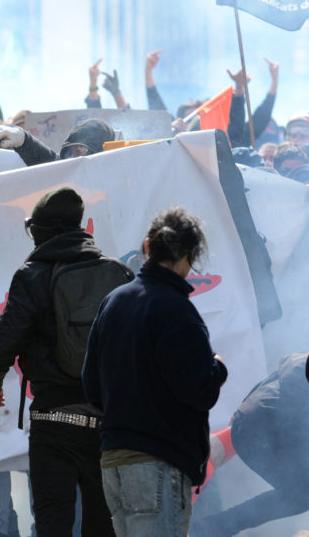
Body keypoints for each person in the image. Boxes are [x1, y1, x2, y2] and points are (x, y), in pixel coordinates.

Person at [0, 187, 127, 536]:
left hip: (52, 422)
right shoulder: (118, 274)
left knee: (52, 523)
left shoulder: (32, 275)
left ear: (42, 231)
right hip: (107, 424)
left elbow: (1, 344)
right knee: (103, 524)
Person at [83, 207, 228, 536]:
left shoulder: (114, 301)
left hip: (114, 463)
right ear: (190, 256)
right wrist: (218, 368)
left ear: (148, 247)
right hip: (158, 466)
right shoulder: (176, 309)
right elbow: (200, 390)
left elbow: (92, 388)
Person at [190, 353, 309, 536]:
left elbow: (288, 368)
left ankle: (206, 530)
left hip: (248, 420)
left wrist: (244, 408)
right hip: (265, 432)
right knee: (301, 496)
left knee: (303, 495)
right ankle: (207, 531)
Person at [0, 118, 116, 166]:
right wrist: (24, 140)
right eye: (71, 151)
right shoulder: (63, 170)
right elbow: (49, 161)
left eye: (82, 151)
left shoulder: (117, 181)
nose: (74, 157)